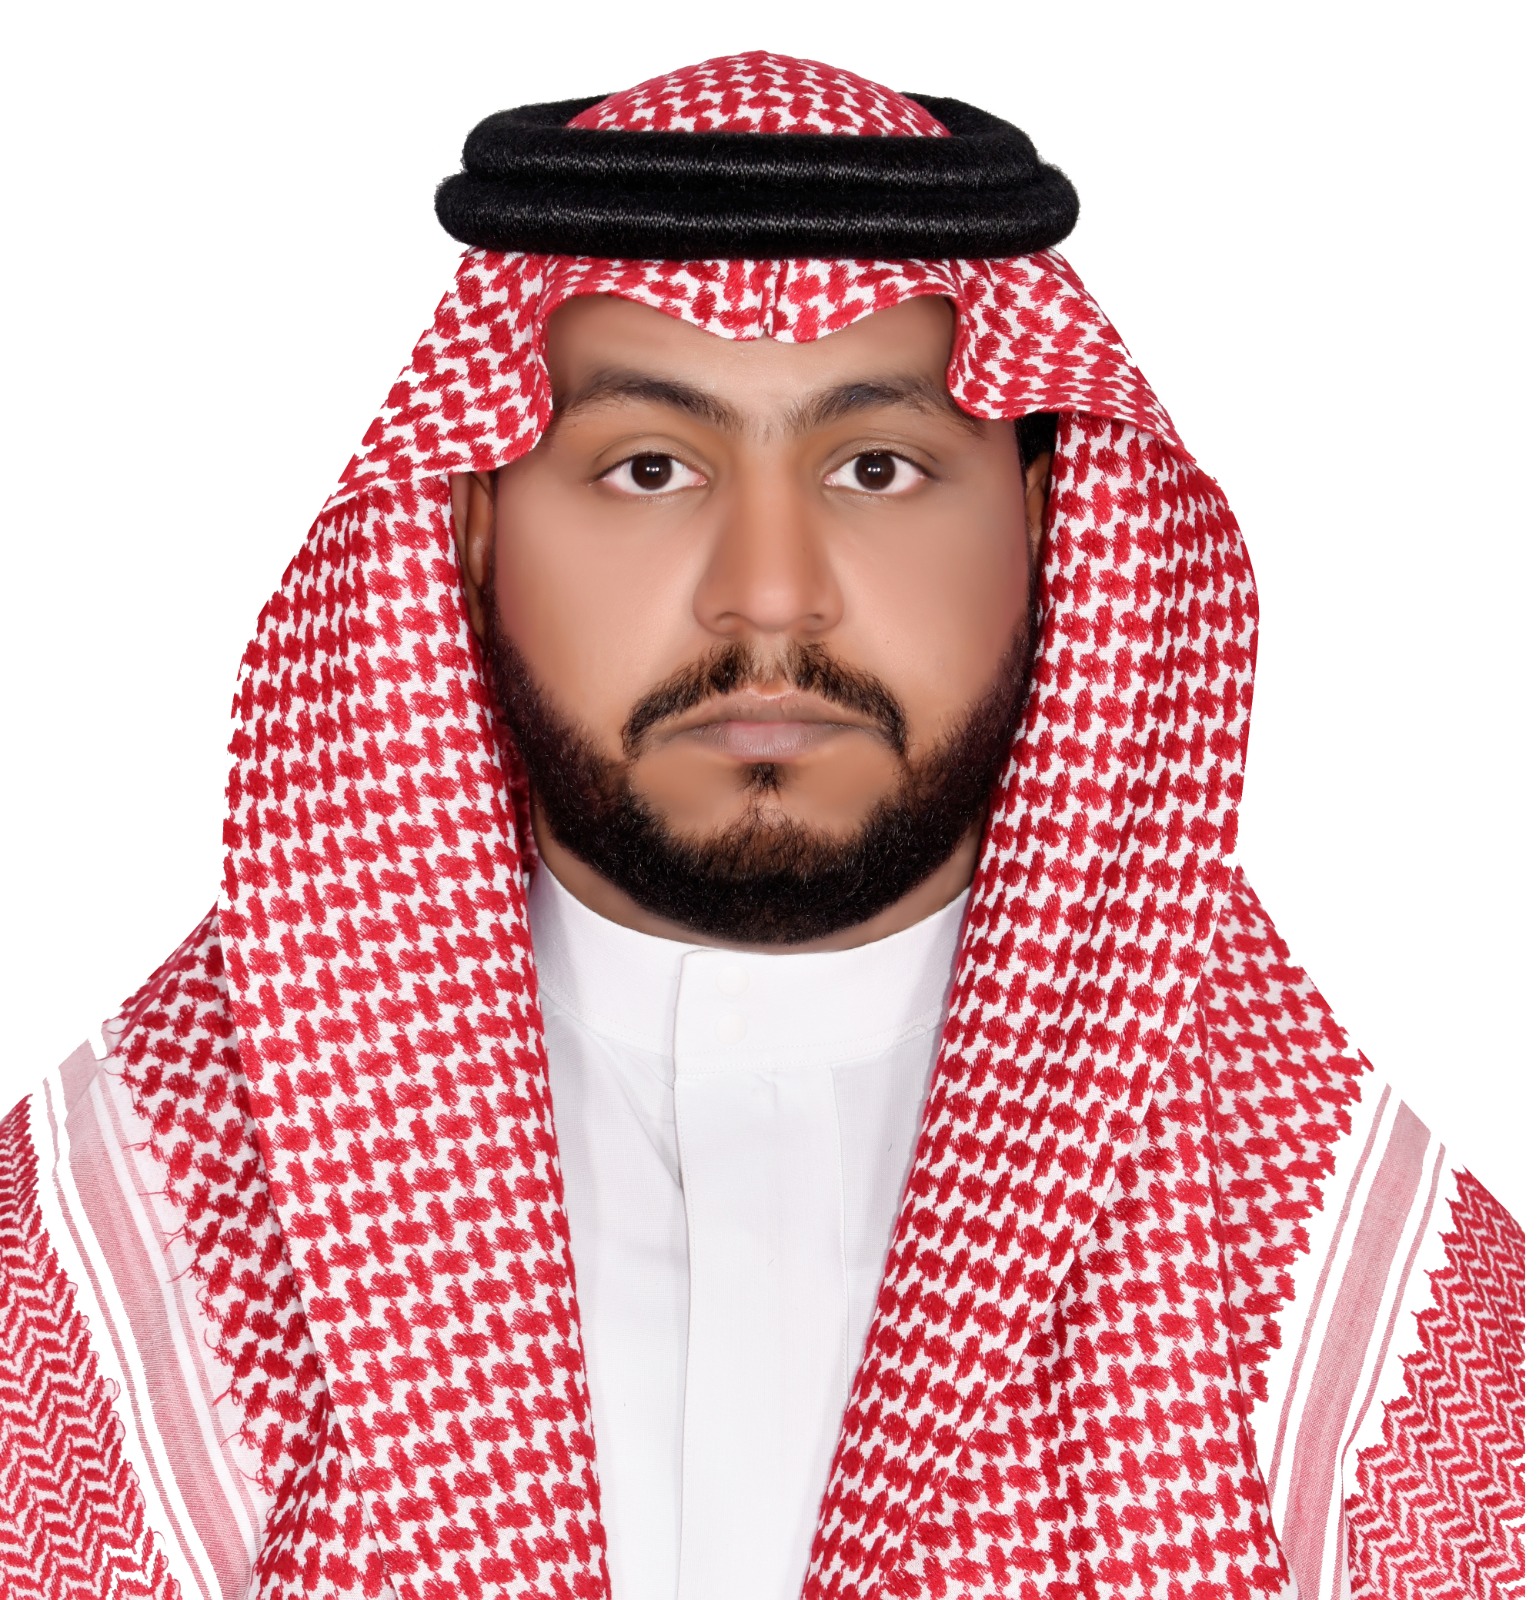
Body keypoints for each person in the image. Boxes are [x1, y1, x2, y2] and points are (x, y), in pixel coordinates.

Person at [0, 50, 1520, 1600]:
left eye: (878, 466)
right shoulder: (116, 1257)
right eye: (651, 468)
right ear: (468, 526)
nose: (772, 594)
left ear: (1049, 522)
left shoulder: (1346, 1313)